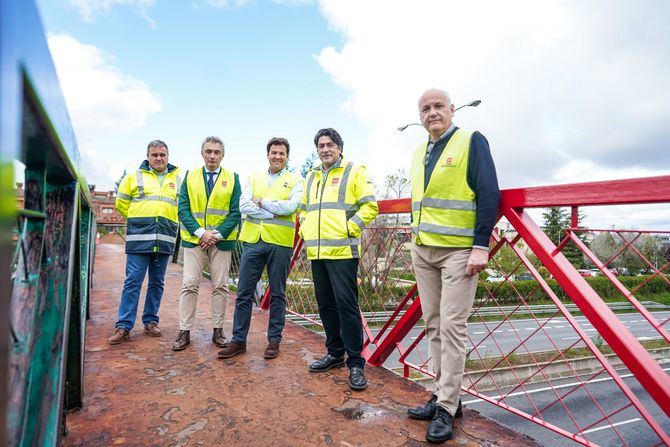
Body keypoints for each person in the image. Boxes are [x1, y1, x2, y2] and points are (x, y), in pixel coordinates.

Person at [406, 89, 500, 443]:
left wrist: (481, 245)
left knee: (452, 328)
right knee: (433, 324)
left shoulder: (470, 141)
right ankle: (444, 396)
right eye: (425, 109)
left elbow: (489, 193)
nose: (432, 113)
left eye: (438, 107)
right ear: (420, 116)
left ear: (452, 110)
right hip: (423, 250)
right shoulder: (419, 152)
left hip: (459, 252)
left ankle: (446, 407)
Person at [299, 128, 378, 391]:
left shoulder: (354, 171)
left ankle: (355, 364)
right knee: (325, 305)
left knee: (347, 307)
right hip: (317, 252)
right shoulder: (311, 176)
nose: (325, 149)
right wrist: (304, 229)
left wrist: (350, 227)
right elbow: (303, 209)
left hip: (343, 251)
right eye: (321, 145)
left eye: (330, 145)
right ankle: (334, 353)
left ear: (340, 148)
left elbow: (370, 206)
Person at [217, 137, 303, 360]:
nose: (277, 156)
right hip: (253, 241)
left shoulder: (295, 180)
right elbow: (243, 205)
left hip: (280, 243)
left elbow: (292, 206)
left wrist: (262, 203)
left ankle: (274, 340)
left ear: (287, 156)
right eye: (274, 152)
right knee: (243, 293)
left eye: (282, 153)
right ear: (268, 154)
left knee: (277, 294)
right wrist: (274, 211)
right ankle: (238, 341)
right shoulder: (253, 177)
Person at [172, 136, 241, 351]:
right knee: (190, 284)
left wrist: (216, 235)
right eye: (209, 151)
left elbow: (235, 211)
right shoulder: (190, 176)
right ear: (202, 153)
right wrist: (202, 233)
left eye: (217, 152)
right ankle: (184, 331)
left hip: (221, 242)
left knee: (220, 286)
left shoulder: (233, 178)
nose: (212, 156)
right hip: (194, 240)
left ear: (223, 155)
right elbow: (182, 208)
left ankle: (218, 331)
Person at [109, 140, 181, 345]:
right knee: (132, 281)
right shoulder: (134, 177)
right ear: (148, 156)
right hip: (139, 239)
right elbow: (121, 204)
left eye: (162, 155)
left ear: (168, 156)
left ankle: (150, 321)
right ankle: (124, 325)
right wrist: (138, 221)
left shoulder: (178, 179)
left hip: (165, 238)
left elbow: (181, 207)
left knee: (157, 283)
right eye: (155, 155)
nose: (159, 158)